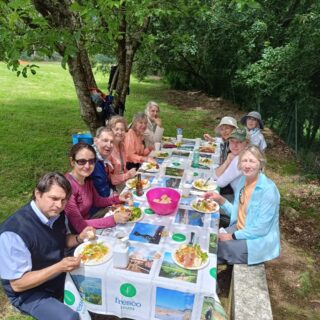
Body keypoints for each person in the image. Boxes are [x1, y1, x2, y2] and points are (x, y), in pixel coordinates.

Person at [0, 172, 95, 320]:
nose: (59, 205)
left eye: (64, 200)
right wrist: (59, 267)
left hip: (55, 275)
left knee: (95, 280)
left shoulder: (56, 214)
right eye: (54, 198)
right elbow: (18, 284)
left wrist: (79, 237)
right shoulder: (13, 233)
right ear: (38, 194)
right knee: (69, 318)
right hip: (29, 292)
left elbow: (59, 241)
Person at [205, 145, 280, 265]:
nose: (247, 165)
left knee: (212, 250)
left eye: (252, 161)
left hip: (256, 242)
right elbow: (238, 212)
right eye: (244, 160)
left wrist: (232, 236)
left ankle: (206, 280)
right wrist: (220, 199)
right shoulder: (242, 182)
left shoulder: (268, 191)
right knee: (209, 238)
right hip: (241, 229)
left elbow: (261, 229)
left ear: (260, 164)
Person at [64, 142, 132, 233]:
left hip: (91, 221)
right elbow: (78, 225)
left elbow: (97, 201)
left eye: (91, 161)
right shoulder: (67, 186)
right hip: (77, 233)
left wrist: (118, 198)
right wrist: (114, 219)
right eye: (82, 161)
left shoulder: (87, 179)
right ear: (72, 162)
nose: (87, 166)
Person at [215, 127, 249, 196]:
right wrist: (227, 161)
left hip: (245, 202)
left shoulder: (240, 159)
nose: (234, 145)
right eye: (232, 141)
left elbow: (219, 183)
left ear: (247, 143)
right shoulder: (245, 153)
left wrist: (227, 162)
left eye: (239, 142)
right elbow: (216, 174)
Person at [107, 116, 137, 190]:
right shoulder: (108, 149)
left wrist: (129, 173)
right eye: (116, 129)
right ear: (111, 130)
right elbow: (109, 178)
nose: (120, 132)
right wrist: (127, 175)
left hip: (123, 183)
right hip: (113, 189)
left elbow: (122, 169)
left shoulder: (122, 146)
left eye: (122, 130)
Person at [91, 126, 115, 197]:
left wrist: (113, 191)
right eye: (105, 140)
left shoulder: (101, 157)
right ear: (95, 140)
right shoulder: (92, 160)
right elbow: (103, 193)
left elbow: (106, 181)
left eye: (112, 141)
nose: (109, 145)